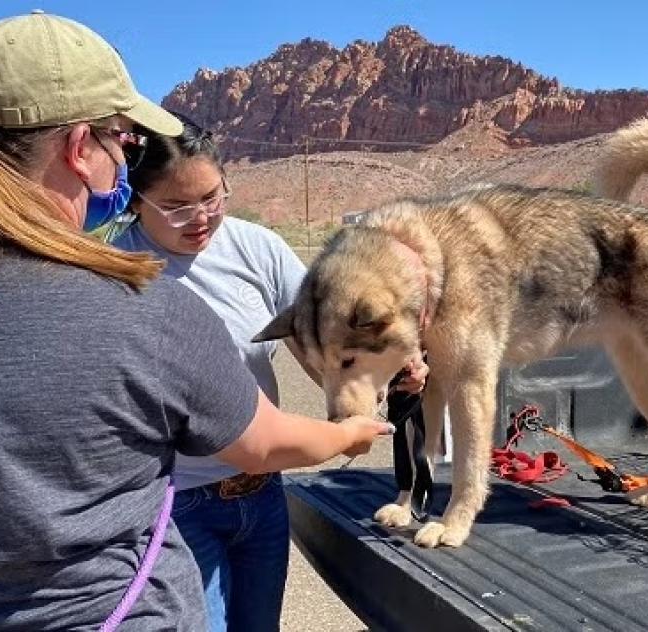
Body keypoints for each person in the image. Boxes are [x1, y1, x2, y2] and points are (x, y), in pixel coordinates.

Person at [0, 12, 391, 632]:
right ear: (81, 149)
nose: (122, 161)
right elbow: (265, 442)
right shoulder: (142, 306)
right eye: (122, 141)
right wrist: (350, 435)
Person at [112, 111, 428, 632]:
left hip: (260, 496)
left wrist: (386, 377)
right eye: (175, 206)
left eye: (213, 197)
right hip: (172, 506)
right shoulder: (113, 266)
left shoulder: (256, 247)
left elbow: (324, 345)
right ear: (135, 198)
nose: (200, 218)